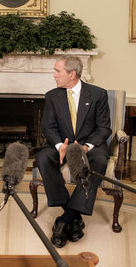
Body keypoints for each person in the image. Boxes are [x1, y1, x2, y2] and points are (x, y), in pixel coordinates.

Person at [36, 56, 112, 248]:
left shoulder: (98, 94)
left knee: (100, 161)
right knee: (43, 158)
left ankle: (65, 220)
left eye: (57, 71)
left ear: (72, 74)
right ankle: (74, 216)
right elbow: (49, 127)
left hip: (89, 145)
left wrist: (86, 147)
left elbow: (104, 128)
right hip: (63, 143)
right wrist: (60, 145)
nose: (54, 75)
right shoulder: (52, 96)